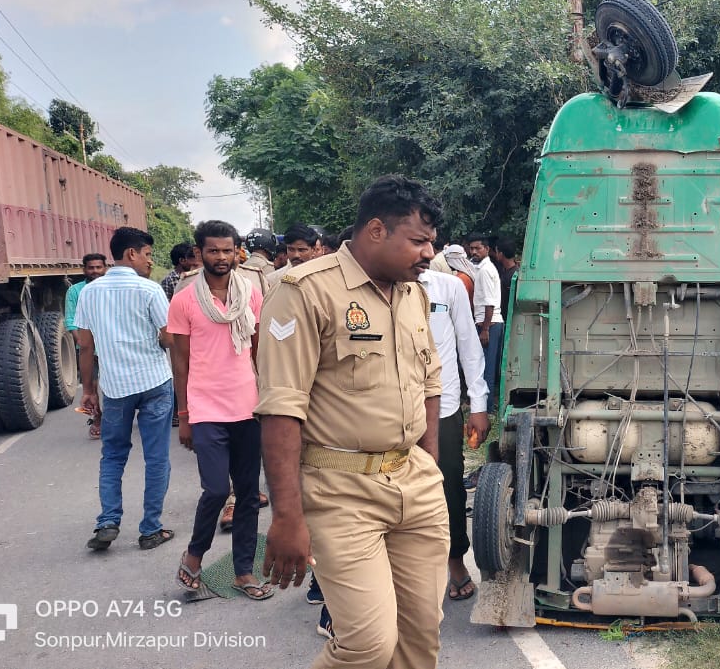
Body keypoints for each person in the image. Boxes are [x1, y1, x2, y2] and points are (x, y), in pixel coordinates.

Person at [256, 175, 447, 669]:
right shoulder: (305, 292)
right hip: (340, 491)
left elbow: (429, 385)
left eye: (433, 242)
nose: (430, 253)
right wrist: (286, 515)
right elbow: (281, 408)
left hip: (416, 485)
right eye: (420, 241)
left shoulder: (412, 294)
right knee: (366, 645)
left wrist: (430, 468)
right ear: (377, 231)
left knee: (419, 641)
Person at [170, 220, 273, 600]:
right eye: (213, 250)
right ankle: (194, 554)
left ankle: (243, 572)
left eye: (227, 250)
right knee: (215, 489)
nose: (221, 257)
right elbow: (179, 363)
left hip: (248, 407)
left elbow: (260, 352)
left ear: (237, 252)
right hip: (205, 408)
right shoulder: (184, 300)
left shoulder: (251, 294)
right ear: (200, 253)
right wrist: (184, 417)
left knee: (248, 493)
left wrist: (269, 400)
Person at [75, 227, 174, 552]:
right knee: (156, 457)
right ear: (131, 254)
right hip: (154, 383)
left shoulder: (90, 292)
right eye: (147, 254)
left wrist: (88, 389)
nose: (150, 261)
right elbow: (168, 337)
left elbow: (85, 347)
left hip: (115, 388)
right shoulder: (149, 290)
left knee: (113, 455)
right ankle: (150, 529)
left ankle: (107, 521)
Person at [418, 268, 489, 601]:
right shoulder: (377, 285)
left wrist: (478, 404)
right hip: (388, 410)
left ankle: (456, 563)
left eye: (428, 240)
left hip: (443, 407)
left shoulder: (448, 287)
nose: (423, 249)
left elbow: (468, 345)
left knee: (448, 488)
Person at [66, 253, 107, 438]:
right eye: (91, 268)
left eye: (99, 267)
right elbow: (71, 321)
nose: (95, 271)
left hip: (110, 347)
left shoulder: (111, 289)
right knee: (92, 385)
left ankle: (116, 419)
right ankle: (97, 419)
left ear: (105, 268)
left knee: (112, 387)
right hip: (88, 349)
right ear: (84, 269)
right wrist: (83, 345)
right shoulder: (75, 291)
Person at [467, 234, 504, 413]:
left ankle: (487, 408)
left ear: (487, 249)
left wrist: (485, 329)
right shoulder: (482, 269)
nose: (474, 252)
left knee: (486, 368)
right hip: (487, 323)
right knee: (483, 366)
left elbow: (489, 302)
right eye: (471, 248)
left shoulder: (485, 270)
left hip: (489, 324)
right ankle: (485, 406)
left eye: (477, 248)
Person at [266, 224, 321, 288]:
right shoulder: (272, 280)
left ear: (313, 250)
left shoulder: (322, 278)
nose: (296, 255)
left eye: (302, 250)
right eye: (291, 249)